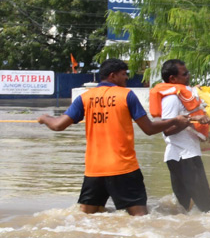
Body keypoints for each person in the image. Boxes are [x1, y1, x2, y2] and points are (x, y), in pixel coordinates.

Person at [37, 58, 190, 216]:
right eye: (123, 74)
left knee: (84, 218)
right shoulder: (126, 95)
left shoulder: (85, 97)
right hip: (124, 168)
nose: (126, 78)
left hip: (94, 170)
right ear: (112, 76)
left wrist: (44, 118)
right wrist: (175, 120)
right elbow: (149, 129)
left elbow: (57, 125)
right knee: (140, 219)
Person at [156, 59, 210, 212]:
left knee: (184, 209)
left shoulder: (185, 96)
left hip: (185, 155)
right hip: (183, 157)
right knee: (207, 208)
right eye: (185, 73)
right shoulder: (171, 98)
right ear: (172, 79)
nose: (189, 75)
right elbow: (167, 129)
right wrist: (192, 120)